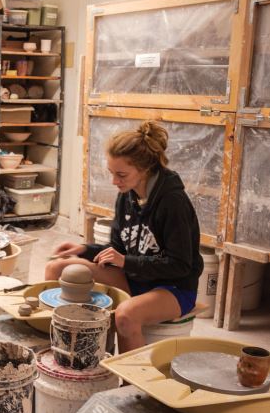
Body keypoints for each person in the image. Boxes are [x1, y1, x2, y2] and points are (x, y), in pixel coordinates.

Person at [45, 121, 203, 352]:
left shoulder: (172, 202)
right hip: (134, 277)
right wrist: (84, 249)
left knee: (125, 316)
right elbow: (117, 248)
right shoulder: (126, 195)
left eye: (121, 174)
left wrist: (126, 262)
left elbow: (180, 265)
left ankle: (129, 387)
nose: (114, 181)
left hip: (172, 288)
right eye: (111, 173)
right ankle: (65, 355)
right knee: (58, 268)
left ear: (145, 169)